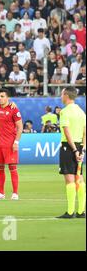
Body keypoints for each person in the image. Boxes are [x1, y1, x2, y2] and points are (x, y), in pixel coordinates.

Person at [56, 86, 86, 218]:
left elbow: (67, 132)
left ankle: (70, 211)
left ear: (66, 96)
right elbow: (85, 132)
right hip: (80, 146)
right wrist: (82, 149)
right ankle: (81, 211)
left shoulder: (65, 112)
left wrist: (73, 149)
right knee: (79, 178)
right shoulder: (81, 111)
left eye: (62, 94)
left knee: (69, 179)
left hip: (68, 147)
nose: (61, 97)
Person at [0, 88, 23, 200]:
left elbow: (20, 127)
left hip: (9, 143)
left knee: (12, 168)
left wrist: (16, 142)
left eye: (2, 96)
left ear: (8, 97)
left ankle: (15, 193)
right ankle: (1, 193)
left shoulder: (14, 109)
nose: (0, 98)